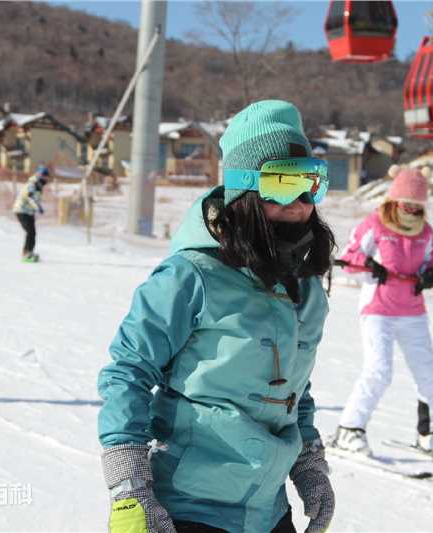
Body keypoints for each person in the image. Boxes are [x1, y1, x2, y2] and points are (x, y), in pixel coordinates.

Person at [98, 100, 337, 533]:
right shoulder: (190, 277)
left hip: (266, 510)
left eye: (310, 184)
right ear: (244, 190)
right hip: (190, 507)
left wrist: (308, 464)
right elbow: (128, 372)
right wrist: (128, 484)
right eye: (283, 184)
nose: (299, 203)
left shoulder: (305, 290)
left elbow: (294, 389)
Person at [331, 167, 433, 460]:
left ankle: (430, 433)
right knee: (379, 370)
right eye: (406, 202)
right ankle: (349, 429)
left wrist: (430, 274)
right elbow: (348, 258)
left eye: (417, 204)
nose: (411, 209)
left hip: (413, 312)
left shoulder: (425, 232)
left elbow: (430, 262)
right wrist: (370, 266)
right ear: (394, 200)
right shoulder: (375, 224)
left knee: (430, 375)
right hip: (378, 310)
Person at [12, 165, 48, 263]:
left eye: (46, 175)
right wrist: (38, 207)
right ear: (38, 175)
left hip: (28, 211)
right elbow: (30, 197)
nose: (46, 178)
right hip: (21, 210)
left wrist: (37, 206)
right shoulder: (32, 184)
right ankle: (26, 254)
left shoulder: (38, 185)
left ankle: (29, 252)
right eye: (44, 175)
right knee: (30, 232)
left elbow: (34, 198)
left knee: (32, 232)